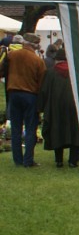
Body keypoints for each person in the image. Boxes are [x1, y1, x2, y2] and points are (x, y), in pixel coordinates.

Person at [0, 34, 47, 167]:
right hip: (30, 95)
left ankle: (18, 160)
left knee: (16, 128)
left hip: (13, 93)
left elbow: (2, 70)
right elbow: (42, 81)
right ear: (35, 45)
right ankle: (28, 160)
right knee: (30, 128)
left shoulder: (11, 55)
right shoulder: (38, 60)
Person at [39, 48, 79, 168]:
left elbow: (44, 91)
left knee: (57, 131)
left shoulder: (50, 73)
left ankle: (59, 160)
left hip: (55, 107)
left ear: (57, 60)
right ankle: (73, 161)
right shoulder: (76, 73)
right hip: (74, 107)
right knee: (74, 132)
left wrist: (41, 108)